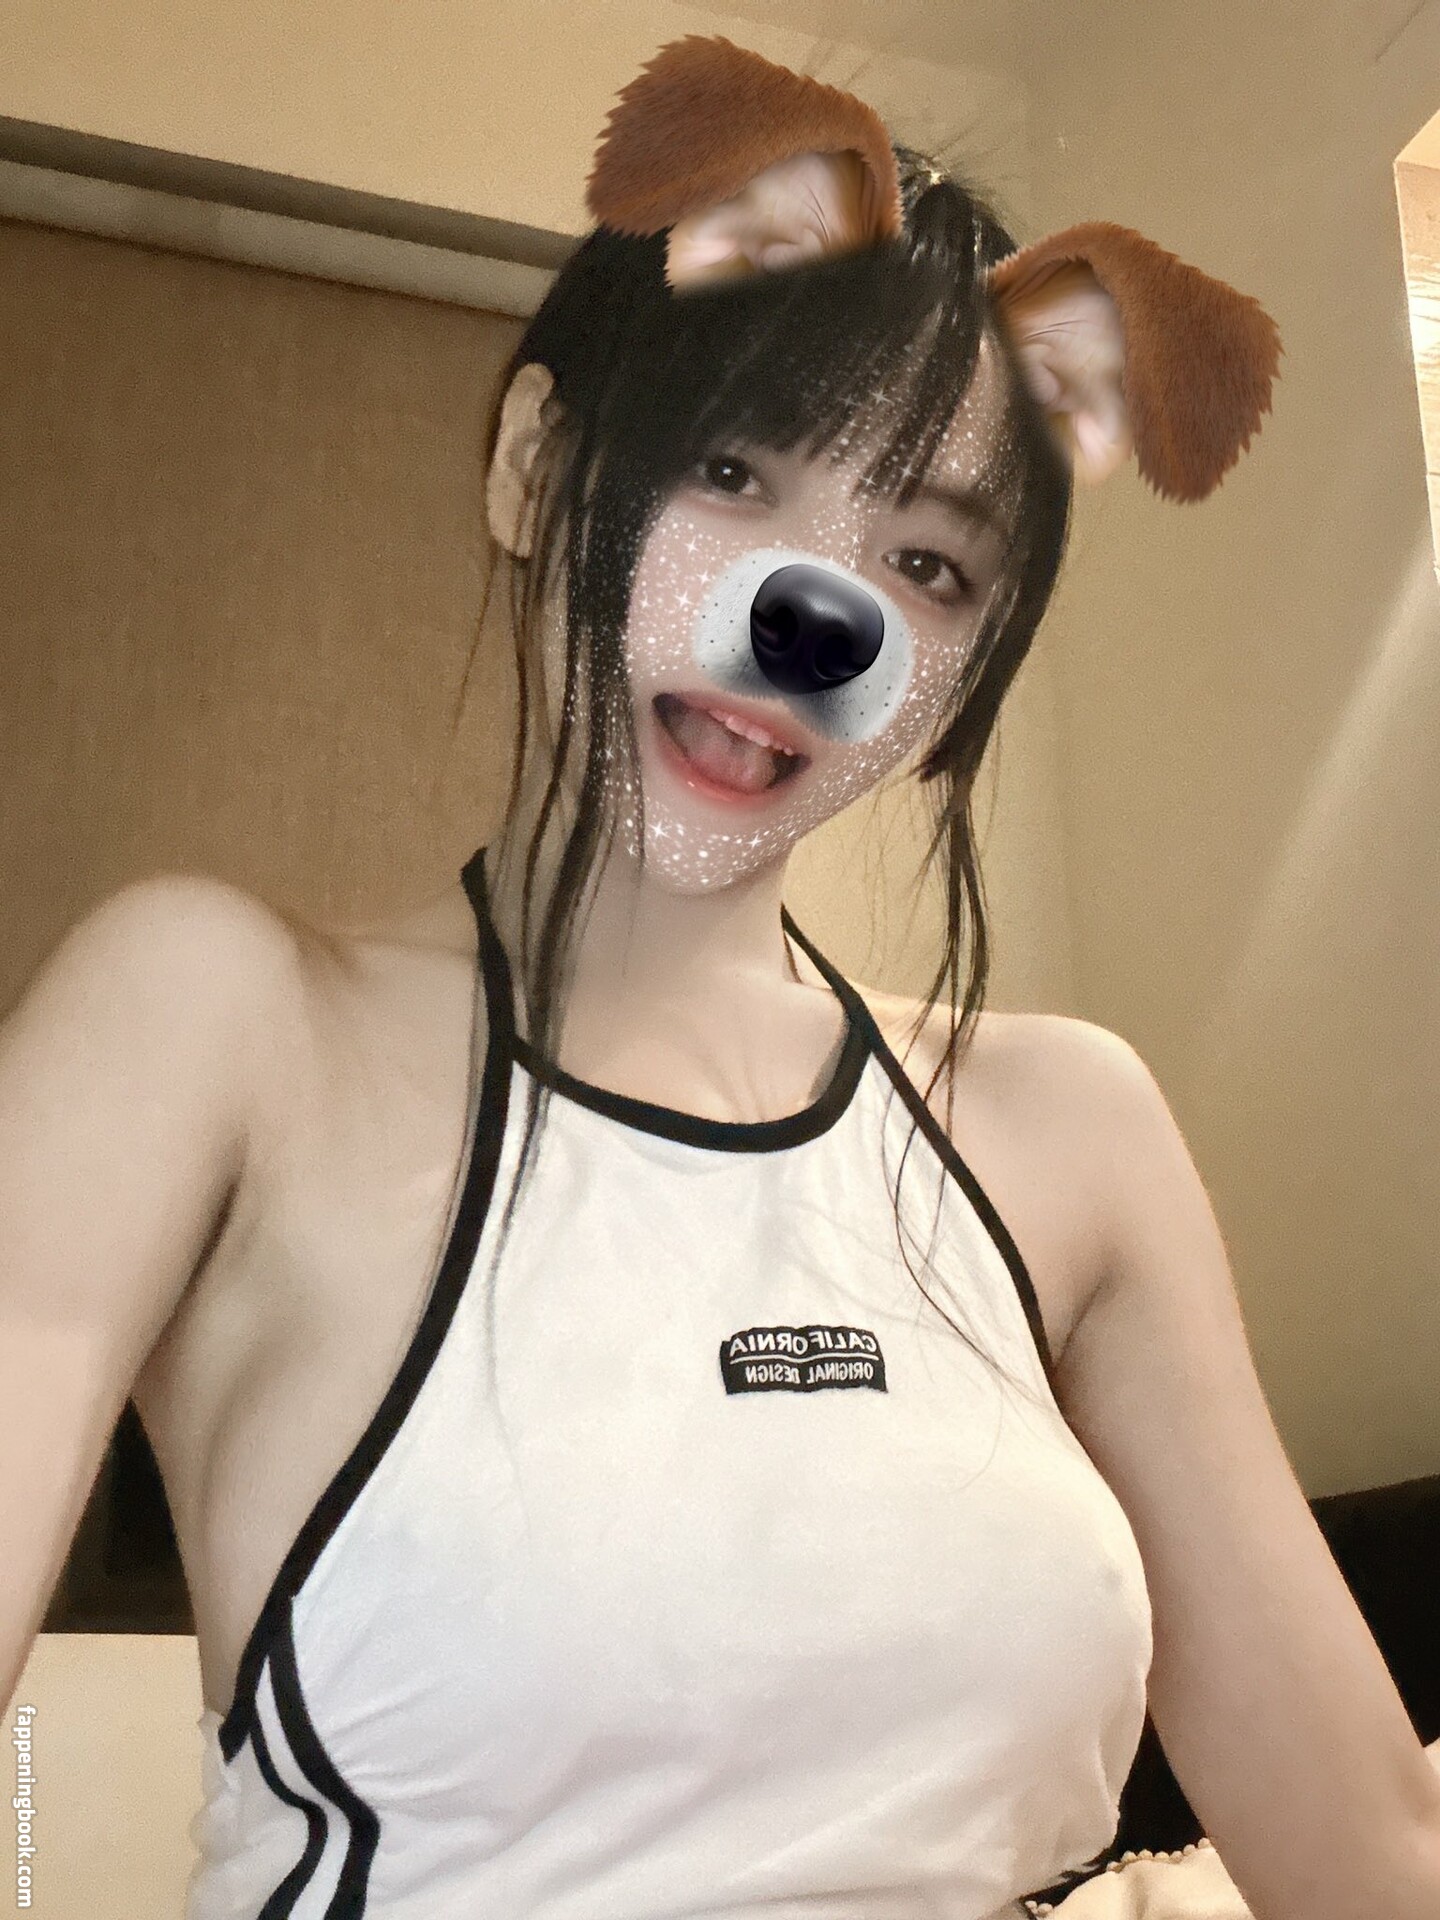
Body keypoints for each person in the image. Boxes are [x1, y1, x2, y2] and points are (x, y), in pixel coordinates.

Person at [3, 31, 1438, 1920]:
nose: (815, 614)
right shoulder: (211, 1019)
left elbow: (1374, 1862)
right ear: (536, 467)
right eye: (736, 468)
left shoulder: (1072, 1124)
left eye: (930, 565)